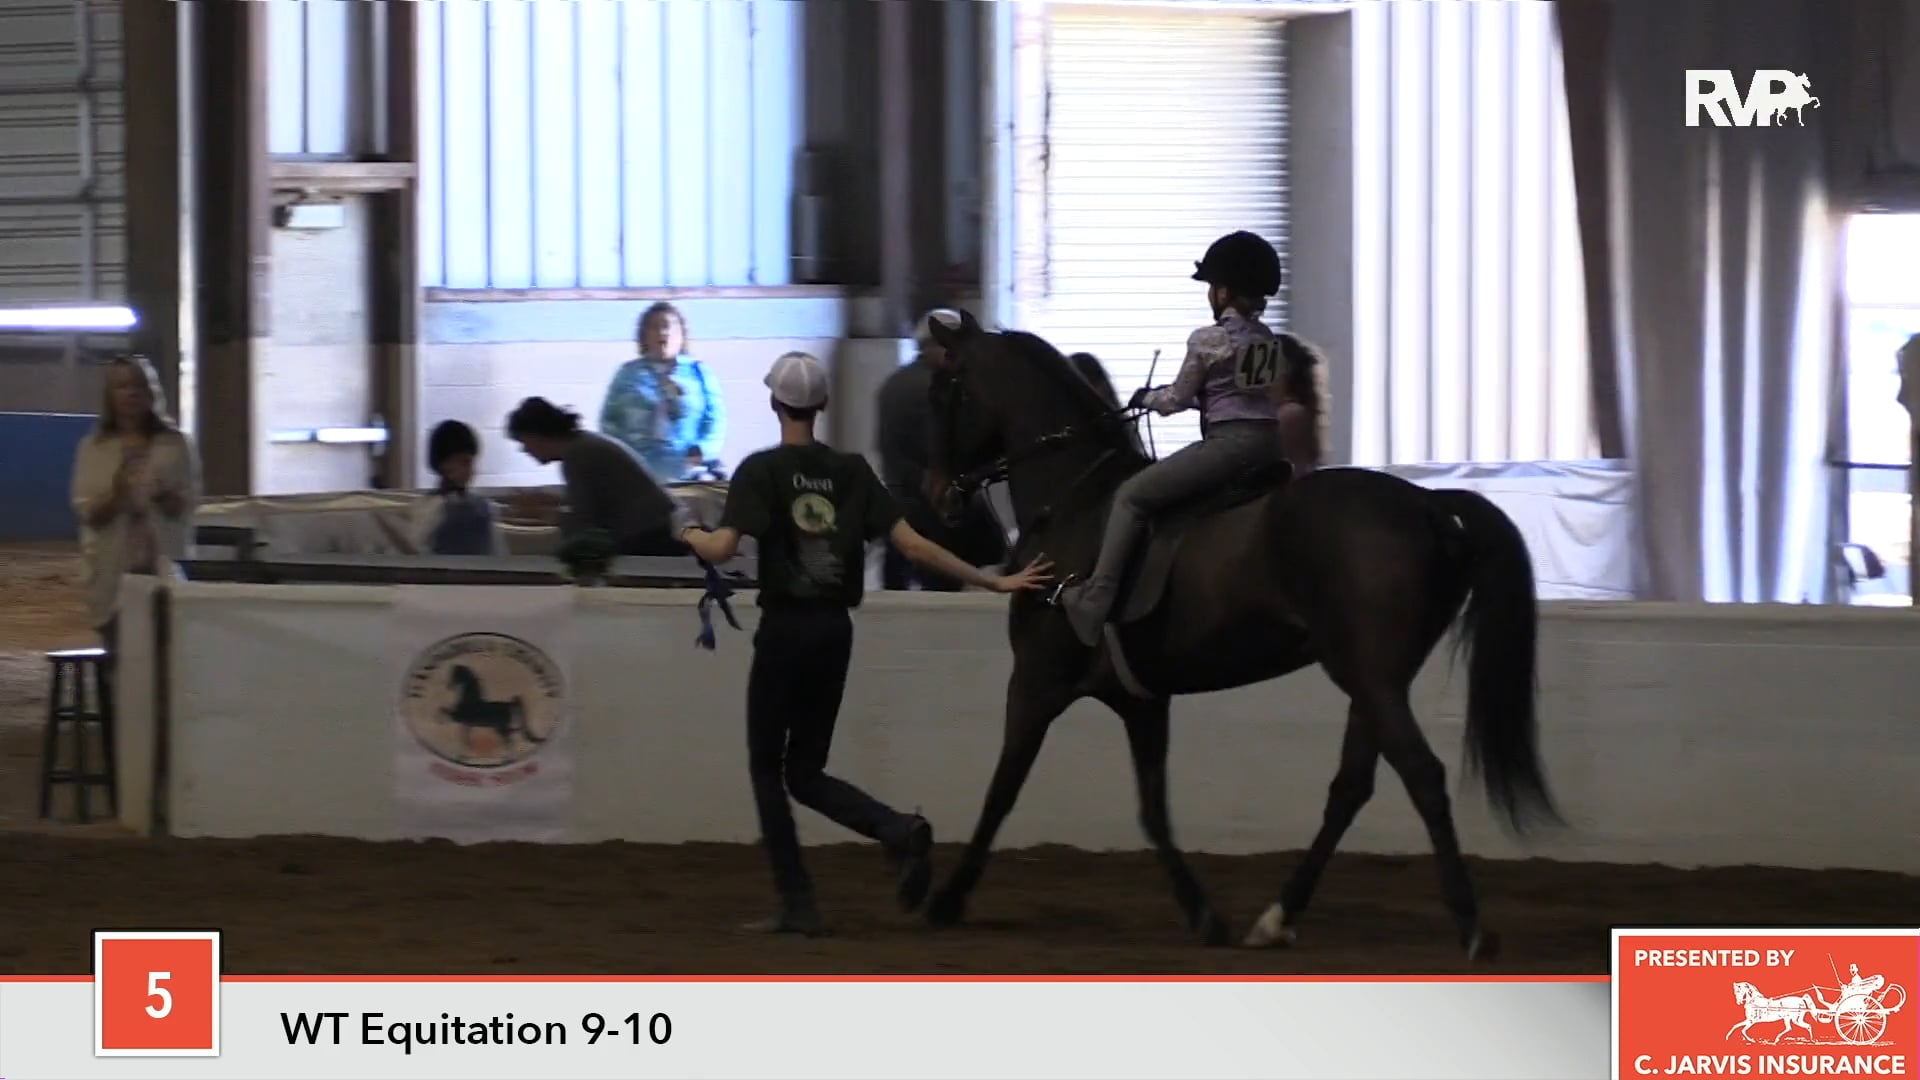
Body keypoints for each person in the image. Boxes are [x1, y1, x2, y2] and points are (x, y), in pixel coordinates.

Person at [678, 351, 1054, 935]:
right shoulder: (853, 472)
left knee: (765, 769)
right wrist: (993, 579)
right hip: (834, 633)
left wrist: (688, 531)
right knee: (803, 770)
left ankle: (797, 902)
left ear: (775, 403)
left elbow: (723, 549)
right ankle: (896, 830)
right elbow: (914, 546)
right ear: (822, 405)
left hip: (784, 633)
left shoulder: (761, 470)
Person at [1054, 230, 1291, 647]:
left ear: (1223, 291)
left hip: (1230, 445)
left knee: (1130, 496)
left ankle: (1095, 600)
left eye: (1213, 287)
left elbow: (1177, 399)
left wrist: (1148, 398)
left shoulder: (1208, 339)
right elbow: (1240, 396)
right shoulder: (1266, 339)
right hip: (1269, 443)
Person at [70, 354, 201, 657]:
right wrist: (117, 495)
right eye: (121, 386)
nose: (131, 393)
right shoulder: (94, 448)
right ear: (110, 395)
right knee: (120, 666)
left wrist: (160, 493)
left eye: (138, 385)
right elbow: (88, 512)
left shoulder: (175, 445)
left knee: (166, 661)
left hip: (163, 573)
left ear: (151, 391)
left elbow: (186, 505)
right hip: (111, 577)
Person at [505, 397, 687, 556]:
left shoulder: (578, 455)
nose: (524, 449)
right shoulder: (583, 445)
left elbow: (584, 524)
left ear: (537, 436)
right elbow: (593, 503)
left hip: (649, 538)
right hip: (658, 529)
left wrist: (540, 513)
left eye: (524, 442)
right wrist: (551, 503)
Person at [876, 308, 967, 591]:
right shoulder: (935, 389)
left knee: (895, 591)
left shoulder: (892, 383)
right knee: (943, 594)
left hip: (897, 508)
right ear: (934, 346)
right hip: (932, 512)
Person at [598, 302, 727, 484]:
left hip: (689, 473)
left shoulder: (699, 373)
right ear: (643, 336)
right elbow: (608, 422)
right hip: (636, 474)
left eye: (669, 326)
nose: (663, 332)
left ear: (682, 334)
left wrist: (703, 450)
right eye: (654, 327)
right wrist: (619, 459)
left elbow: (716, 421)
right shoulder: (627, 374)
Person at [409, 420, 508, 556]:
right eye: (464, 462)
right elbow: (419, 549)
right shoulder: (429, 507)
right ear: (444, 464)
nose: (471, 470)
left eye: (472, 463)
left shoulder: (482, 507)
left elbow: (497, 550)